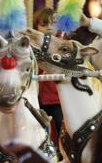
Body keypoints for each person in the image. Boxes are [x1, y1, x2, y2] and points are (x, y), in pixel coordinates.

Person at [33, 8, 63, 144]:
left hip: (57, 98)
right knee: (39, 128)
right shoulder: (33, 47)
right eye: (44, 25)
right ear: (36, 27)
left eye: (53, 24)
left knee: (60, 126)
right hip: (39, 97)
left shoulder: (63, 45)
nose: (49, 28)